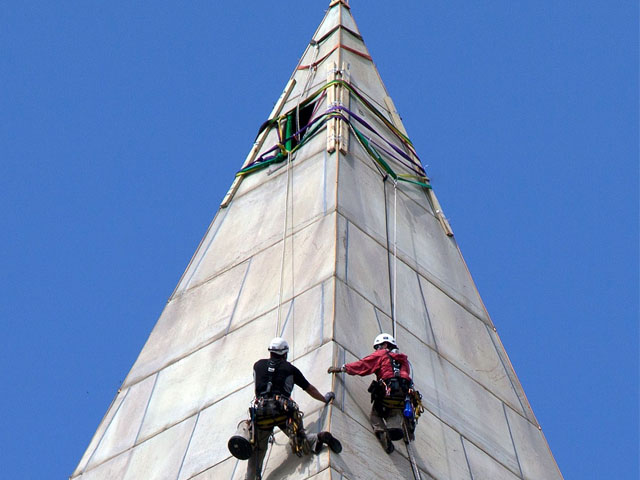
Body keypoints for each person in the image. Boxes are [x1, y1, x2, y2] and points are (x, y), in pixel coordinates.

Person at [238, 337, 342, 480]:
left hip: (262, 415)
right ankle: (317, 438)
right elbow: (309, 389)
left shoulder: (258, 366)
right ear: (285, 353)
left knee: (257, 451)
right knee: (300, 440)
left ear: (270, 352)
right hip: (284, 413)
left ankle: (252, 478)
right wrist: (324, 399)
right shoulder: (290, 369)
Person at [328, 333, 414, 454]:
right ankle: (399, 428)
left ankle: (384, 436)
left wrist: (343, 368)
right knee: (396, 410)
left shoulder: (381, 354)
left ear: (385, 345)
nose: (377, 350)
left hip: (386, 392)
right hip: (403, 395)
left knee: (376, 415)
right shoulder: (403, 360)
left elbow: (364, 365)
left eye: (378, 346)